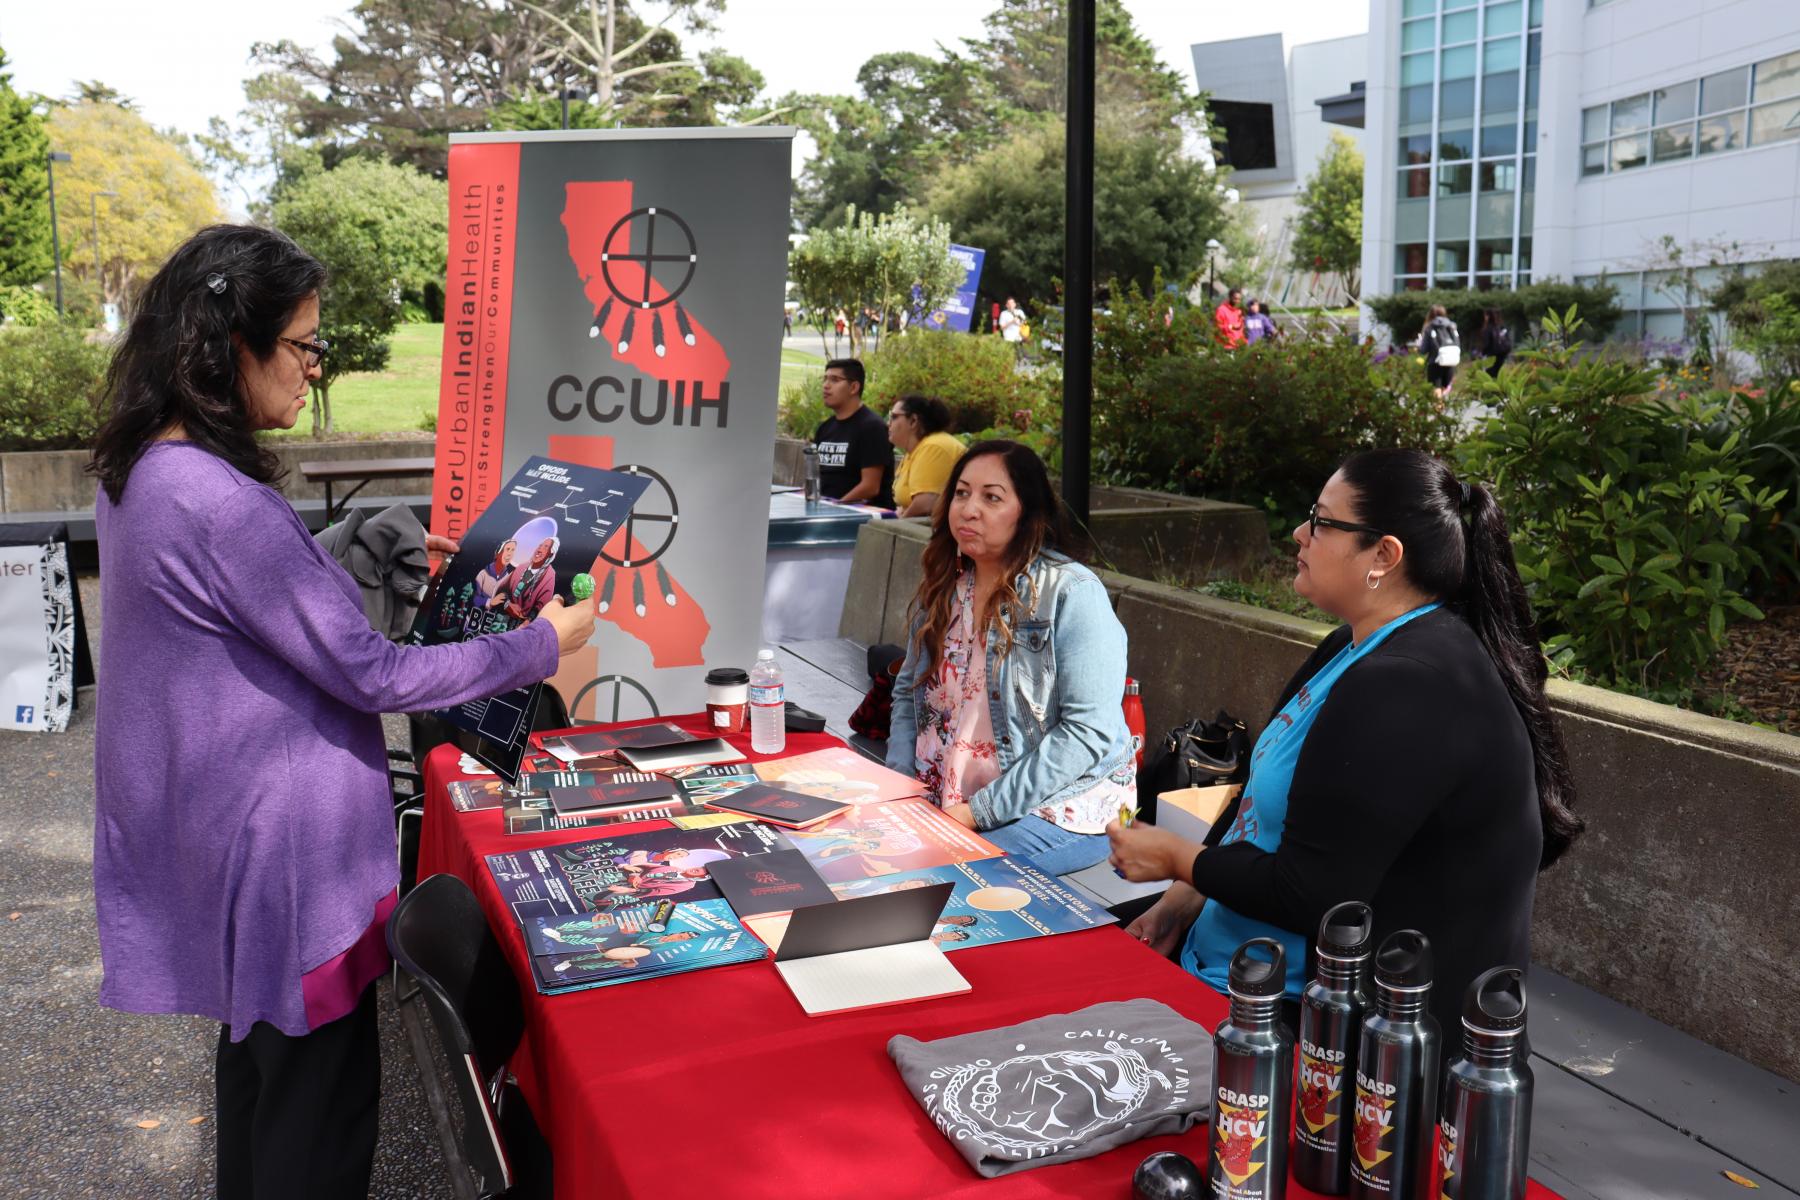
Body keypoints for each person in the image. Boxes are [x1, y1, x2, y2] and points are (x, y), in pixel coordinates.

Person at [87, 224, 597, 1199]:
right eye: (306, 345)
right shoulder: (222, 500)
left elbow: (247, 599)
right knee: (317, 1121)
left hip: (228, 844)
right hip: (291, 866)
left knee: (262, 1087)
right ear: (232, 341)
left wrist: (349, 550)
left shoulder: (148, 470)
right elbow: (372, 673)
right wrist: (542, 644)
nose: (314, 371)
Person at [1105, 449, 1584, 1039]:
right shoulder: (1353, 644)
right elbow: (1257, 804)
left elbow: (1314, 896)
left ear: (1383, 555)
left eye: (1323, 521)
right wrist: (1182, 898)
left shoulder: (1411, 682)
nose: (1300, 533)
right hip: (1226, 958)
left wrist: (1179, 858)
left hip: (1315, 1024)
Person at [887, 440, 1137, 877]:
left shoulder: (1072, 593)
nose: (969, 509)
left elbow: (1087, 732)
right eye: (961, 493)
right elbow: (908, 695)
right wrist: (897, 787)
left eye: (992, 497)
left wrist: (976, 812)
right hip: (945, 797)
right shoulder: (946, 588)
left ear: (1028, 513)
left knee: (945, 876)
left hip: (1059, 806)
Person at [812, 357, 894, 507]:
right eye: (825, 379)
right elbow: (815, 477)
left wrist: (835, 508)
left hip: (860, 516)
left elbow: (870, 487)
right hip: (825, 510)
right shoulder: (824, 428)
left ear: (854, 387)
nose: (825, 386)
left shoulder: (872, 427)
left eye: (835, 380)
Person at [888, 393, 965, 518]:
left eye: (894, 417)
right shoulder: (915, 450)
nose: (888, 423)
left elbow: (925, 504)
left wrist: (897, 523)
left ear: (913, 421)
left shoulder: (933, 446)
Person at [490, 535, 559, 622]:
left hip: (522, 627)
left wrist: (527, 621)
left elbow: (542, 607)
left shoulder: (549, 576)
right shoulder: (521, 567)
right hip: (501, 618)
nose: (539, 549)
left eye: (545, 547)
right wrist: (507, 603)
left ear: (551, 553)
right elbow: (503, 589)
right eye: (540, 545)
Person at [1418, 304, 1462, 396]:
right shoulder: (1452, 326)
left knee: (1436, 389)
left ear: (1430, 315)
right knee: (1443, 389)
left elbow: (1423, 350)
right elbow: (1457, 343)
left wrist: (1419, 345)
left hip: (1435, 363)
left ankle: (1438, 409)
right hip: (1451, 362)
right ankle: (1440, 407)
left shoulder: (1429, 328)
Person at [1478, 307, 1513, 378]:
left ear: (1487, 316)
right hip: (1502, 354)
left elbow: (1486, 344)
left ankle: (1492, 389)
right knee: (1499, 374)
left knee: (1490, 375)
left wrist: (1482, 353)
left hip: (1491, 355)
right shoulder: (1500, 327)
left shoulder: (1488, 328)